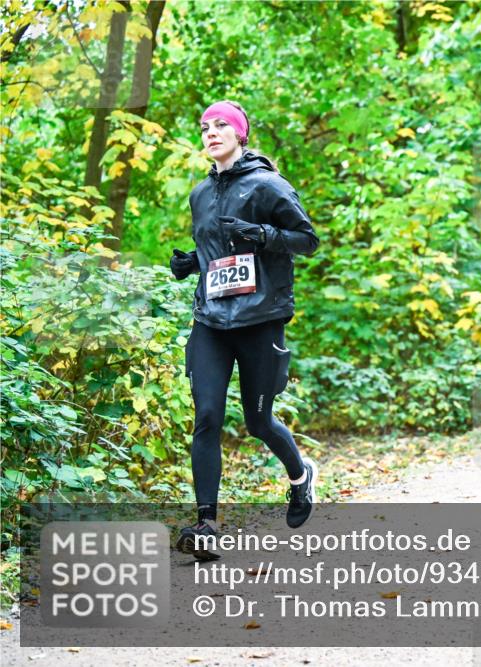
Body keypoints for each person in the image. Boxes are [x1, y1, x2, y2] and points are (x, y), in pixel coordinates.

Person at [169, 100, 321, 559]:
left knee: (257, 421)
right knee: (207, 417)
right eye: (204, 127)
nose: (210, 133)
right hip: (211, 319)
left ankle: (300, 476)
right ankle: (207, 524)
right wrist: (191, 262)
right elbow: (216, 250)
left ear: (239, 134)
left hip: (260, 320)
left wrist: (263, 234)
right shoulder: (199, 194)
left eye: (220, 126)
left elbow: (307, 241)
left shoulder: (268, 185)